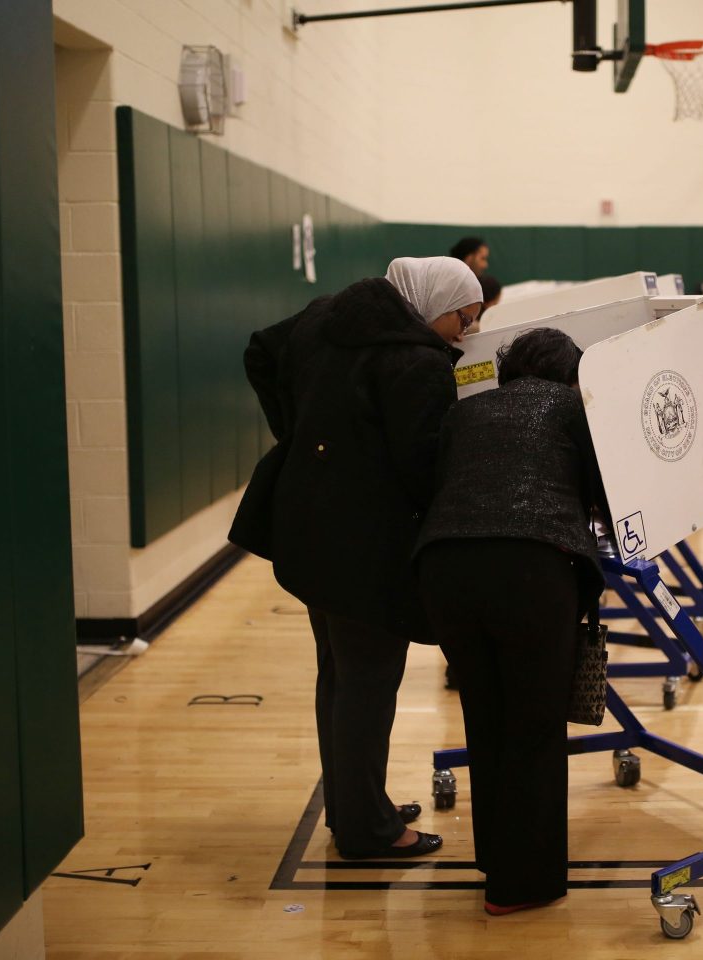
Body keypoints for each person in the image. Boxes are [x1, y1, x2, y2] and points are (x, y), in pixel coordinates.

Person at [231, 256, 482, 858]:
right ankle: (369, 831)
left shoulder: (328, 316)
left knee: (341, 677)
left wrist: (302, 437)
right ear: (433, 303)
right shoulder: (417, 361)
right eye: (463, 317)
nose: (466, 333)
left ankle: (353, 806)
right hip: (365, 545)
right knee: (368, 682)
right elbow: (422, 470)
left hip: (309, 530)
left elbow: (260, 352)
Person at [415, 328, 605, 917]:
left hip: (444, 571)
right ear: (569, 373)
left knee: (486, 715)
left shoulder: (464, 412)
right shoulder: (572, 407)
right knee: (534, 724)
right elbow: (602, 493)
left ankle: (497, 860)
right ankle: (520, 886)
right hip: (529, 570)